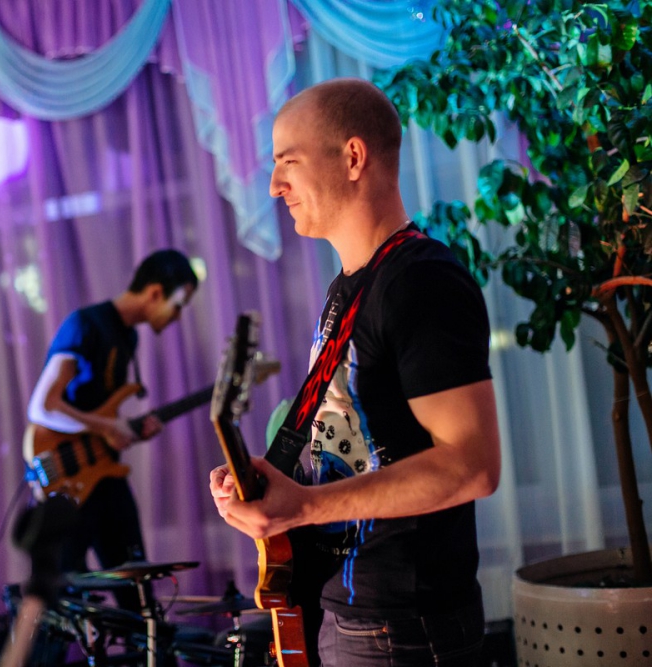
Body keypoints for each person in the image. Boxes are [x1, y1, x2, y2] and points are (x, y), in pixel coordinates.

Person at [209, 78, 501, 665]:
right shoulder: (349, 289)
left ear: (352, 157)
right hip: (351, 610)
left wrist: (303, 507)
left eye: (288, 162)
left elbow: (472, 466)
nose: (274, 185)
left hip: (403, 626)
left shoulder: (421, 282)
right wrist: (273, 487)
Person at [25, 249, 199, 591]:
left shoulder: (128, 335)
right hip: (67, 477)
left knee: (137, 588)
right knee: (61, 601)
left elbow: (102, 409)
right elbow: (42, 407)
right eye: (178, 305)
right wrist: (108, 427)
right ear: (155, 293)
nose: (178, 317)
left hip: (103, 472)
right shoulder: (85, 324)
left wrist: (130, 429)